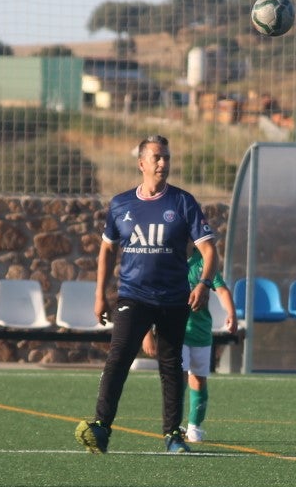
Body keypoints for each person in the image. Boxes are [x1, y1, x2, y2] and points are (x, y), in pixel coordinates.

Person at [75, 135, 218, 454]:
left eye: (166, 157)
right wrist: (100, 294)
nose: (163, 163)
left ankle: (172, 435)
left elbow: (209, 250)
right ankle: (101, 427)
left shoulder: (183, 202)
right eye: (156, 158)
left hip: (172, 299)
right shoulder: (122, 204)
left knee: (171, 367)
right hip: (133, 297)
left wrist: (204, 284)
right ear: (142, 164)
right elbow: (107, 250)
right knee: (118, 359)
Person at [141, 247, 238, 443]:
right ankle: (173, 425)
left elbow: (221, 289)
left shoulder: (202, 262)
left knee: (199, 380)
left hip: (201, 332)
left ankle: (194, 426)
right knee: (179, 378)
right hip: (175, 333)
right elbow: (149, 298)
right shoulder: (166, 260)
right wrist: (147, 333)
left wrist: (232, 314)